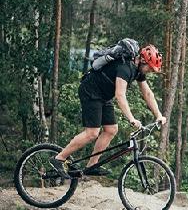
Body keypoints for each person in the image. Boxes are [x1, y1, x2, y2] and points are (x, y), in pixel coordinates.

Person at [49, 44, 166, 179]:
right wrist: (131, 118)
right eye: (150, 68)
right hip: (91, 91)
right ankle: (59, 158)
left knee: (111, 129)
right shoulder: (125, 68)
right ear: (143, 61)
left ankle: (92, 165)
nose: (150, 71)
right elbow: (120, 95)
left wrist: (158, 115)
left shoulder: (138, 70)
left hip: (104, 96)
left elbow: (147, 94)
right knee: (92, 133)